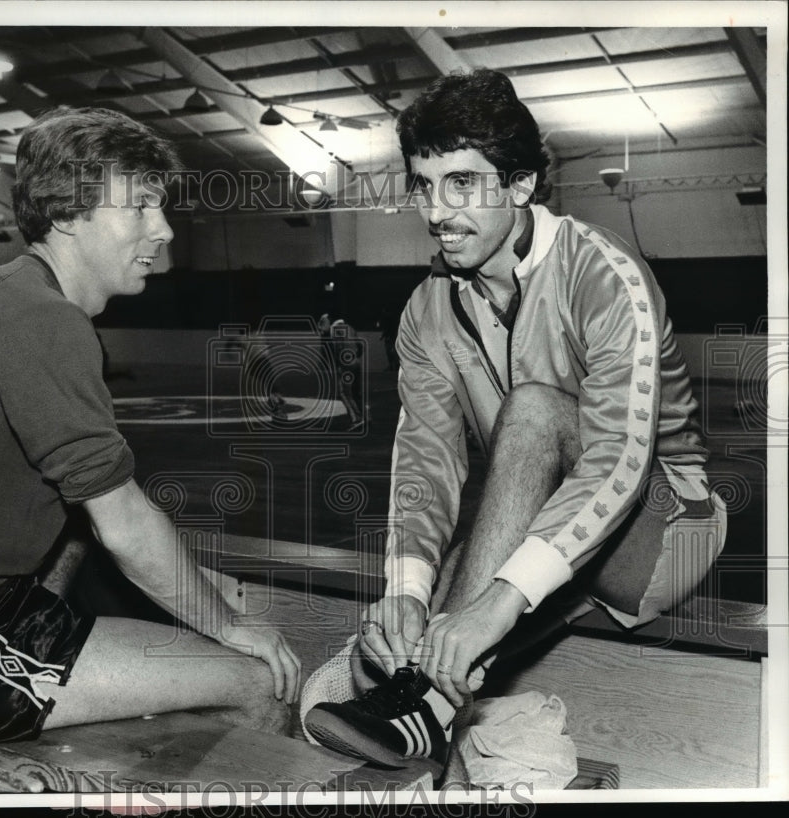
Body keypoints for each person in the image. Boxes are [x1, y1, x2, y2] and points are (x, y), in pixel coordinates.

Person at [0, 107, 300, 746]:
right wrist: (227, 624)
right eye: (140, 209)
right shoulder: (43, 318)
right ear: (67, 215)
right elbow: (122, 525)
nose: (164, 231)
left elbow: (68, 520)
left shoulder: (11, 296)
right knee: (257, 679)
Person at [304, 70, 726, 782]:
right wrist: (406, 588)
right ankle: (429, 724)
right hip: (550, 519)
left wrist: (497, 605)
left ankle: (430, 705)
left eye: (464, 183)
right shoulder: (424, 310)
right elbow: (425, 460)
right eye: (424, 184)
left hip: (665, 531)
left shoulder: (604, 273)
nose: (437, 212)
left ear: (522, 186)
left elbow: (618, 460)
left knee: (531, 410)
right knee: (406, 634)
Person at [318, 313, 364, 430]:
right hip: (356, 362)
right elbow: (360, 345)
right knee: (356, 392)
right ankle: (367, 416)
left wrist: (338, 364)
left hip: (345, 364)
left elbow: (335, 348)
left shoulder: (334, 330)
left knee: (344, 393)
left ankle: (356, 419)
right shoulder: (350, 327)